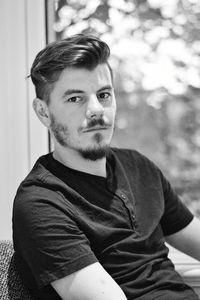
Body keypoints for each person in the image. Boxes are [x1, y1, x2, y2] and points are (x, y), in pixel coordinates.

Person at [12, 34, 200, 300]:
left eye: (103, 94)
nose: (96, 109)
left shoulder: (139, 167)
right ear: (43, 112)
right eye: (75, 99)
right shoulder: (41, 203)